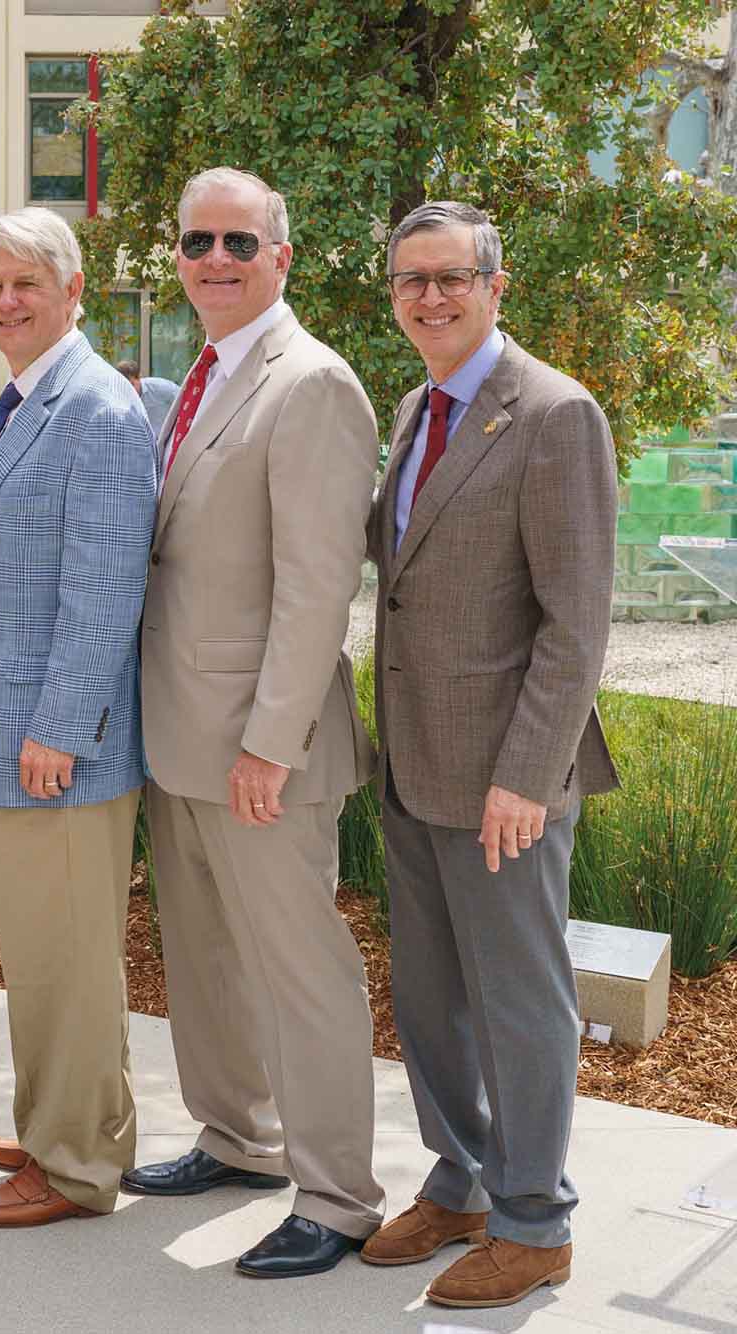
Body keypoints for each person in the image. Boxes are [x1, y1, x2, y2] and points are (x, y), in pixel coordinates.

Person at [130, 166, 385, 1278]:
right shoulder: (201, 372)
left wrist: (267, 744)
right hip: (178, 732)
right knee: (204, 959)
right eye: (197, 242)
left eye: (240, 241)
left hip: (257, 747)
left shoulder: (310, 383)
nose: (216, 260)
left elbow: (315, 587)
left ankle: (336, 1195)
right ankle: (238, 1137)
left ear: (281, 257)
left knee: (299, 973)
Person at [363, 201, 617, 1310]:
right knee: (428, 999)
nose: (429, 295)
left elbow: (575, 623)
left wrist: (525, 771)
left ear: (493, 283)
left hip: (501, 777)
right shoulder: (416, 405)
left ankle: (533, 1220)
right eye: (410, 280)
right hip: (411, 764)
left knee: (516, 1000)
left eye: (450, 276)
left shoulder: (554, 416)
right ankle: (459, 1181)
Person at [0, 208, 157, 1228]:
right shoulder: (28, 398)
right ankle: (68, 1122)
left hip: (53, 746)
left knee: (66, 962)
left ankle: (71, 1169)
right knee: (43, 956)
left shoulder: (97, 411)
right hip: (14, 733)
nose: (4, 302)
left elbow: (103, 591)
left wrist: (59, 728)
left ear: (73, 290)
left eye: (24, 282)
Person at [115, 358, 179, 434]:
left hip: (171, 439)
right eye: (124, 387)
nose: (129, 390)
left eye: (131, 385)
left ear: (138, 377)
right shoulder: (118, 399)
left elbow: (184, 399)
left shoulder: (161, 387)